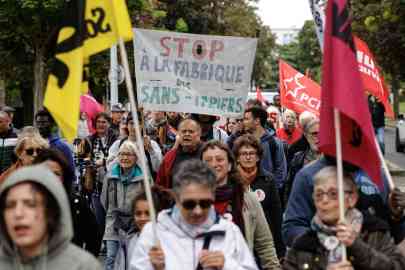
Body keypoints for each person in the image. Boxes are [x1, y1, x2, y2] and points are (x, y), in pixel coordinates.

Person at [130, 159, 259, 270]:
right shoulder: (154, 232)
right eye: (189, 204)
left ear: (213, 196)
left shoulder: (229, 232)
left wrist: (227, 265)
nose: (198, 211)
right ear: (176, 197)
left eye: (205, 203)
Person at [283, 166, 405, 270]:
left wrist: (357, 247)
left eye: (333, 194)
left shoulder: (374, 233)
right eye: (319, 195)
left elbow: (397, 266)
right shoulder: (303, 244)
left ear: (352, 199)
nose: (324, 200)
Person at [0, 165, 102, 269]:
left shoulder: (82, 265)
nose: (18, 213)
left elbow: (93, 236)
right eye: (10, 205)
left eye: (30, 204)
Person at [201, 141, 281, 269]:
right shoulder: (191, 201)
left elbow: (265, 245)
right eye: (208, 160)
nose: (214, 164)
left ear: (229, 165)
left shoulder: (248, 199)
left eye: (220, 159)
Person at [33, 148, 100, 257]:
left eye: (56, 173)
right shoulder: (26, 205)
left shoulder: (77, 204)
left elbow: (93, 239)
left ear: (64, 177)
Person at [232, 135, 285, 259]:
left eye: (252, 153)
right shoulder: (231, 180)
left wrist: (280, 249)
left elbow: (276, 214)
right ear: (237, 158)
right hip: (239, 238)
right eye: (244, 153)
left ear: (258, 157)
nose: (248, 157)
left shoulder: (268, 179)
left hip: (264, 238)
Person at [102, 141, 146, 270]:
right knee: (111, 258)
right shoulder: (110, 176)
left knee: (132, 260)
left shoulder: (143, 178)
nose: (124, 158)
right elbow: (104, 201)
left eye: (128, 154)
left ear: (136, 157)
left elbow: (148, 202)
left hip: (135, 223)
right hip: (114, 222)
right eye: (121, 154)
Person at [228, 106, 287, 196]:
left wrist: (272, 190)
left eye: (246, 119)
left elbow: (281, 170)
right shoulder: (240, 140)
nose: (243, 122)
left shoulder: (274, 143)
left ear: (257, 121)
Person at [107, 113, 162, 179]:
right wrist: (121, 154)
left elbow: (158, 168)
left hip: (145, 185)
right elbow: (109, 168)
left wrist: (151, 150)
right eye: (131, 123)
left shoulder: (152, 144)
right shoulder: (118, 144)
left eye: (137, 123)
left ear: (142, 126)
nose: (134, 127)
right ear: (127, 125)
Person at [156, 118, 203, 188]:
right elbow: (160, 185)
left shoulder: (208, 153)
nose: (187, 134)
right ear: (178, 134)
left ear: (199, 134)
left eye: (191, 131)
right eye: (183, 131)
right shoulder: (169, 157)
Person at [283, 118, 321, 205]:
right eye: (314, 134)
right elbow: (289, 188)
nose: (318, 137)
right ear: (306, 135)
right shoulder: (298, 159)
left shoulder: (334, 160)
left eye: (321, 134)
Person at [35, 109, 76, 175]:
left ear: (51, 124)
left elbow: (71, 171)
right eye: (38, 123)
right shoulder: (32, 146)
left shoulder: (62, 147)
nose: (40, 126)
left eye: (43, 122)